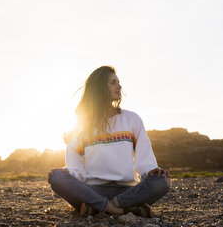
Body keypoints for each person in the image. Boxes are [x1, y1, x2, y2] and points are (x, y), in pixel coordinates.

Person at [48, 66, 171, 217]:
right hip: (93, 190)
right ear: (99, 88)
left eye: (118, 82)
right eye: (113, 82)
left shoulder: (131, 119)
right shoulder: (82, 126)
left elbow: (144, 158)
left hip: (128, 190)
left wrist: (151, 170)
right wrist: (67, 171)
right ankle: (127, 209)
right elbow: (76, 168)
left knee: (162, 181)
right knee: (56, 177)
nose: (119, 86)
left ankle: (100, 207)